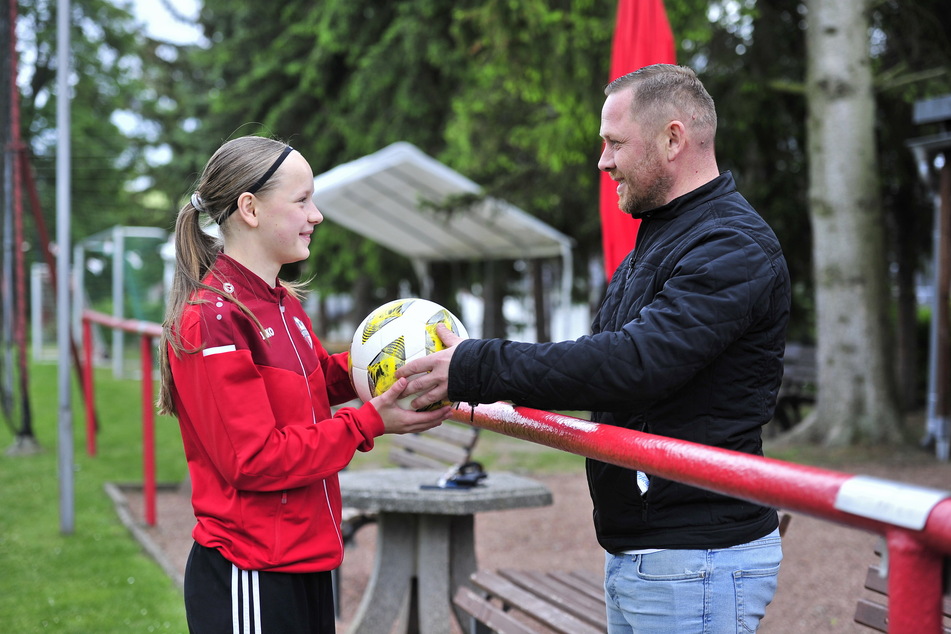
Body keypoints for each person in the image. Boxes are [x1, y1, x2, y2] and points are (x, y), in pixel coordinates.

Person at [397, 64, 790, 633]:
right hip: (654, 551)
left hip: (694, 557)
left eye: (614, 143)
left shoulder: (730, 244)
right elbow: (600, 357)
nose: (602, 161)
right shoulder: (666, 236)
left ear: (672, 138)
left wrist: (475, 366)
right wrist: (472, 366)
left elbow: (634, 364)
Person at [156, 136, 449, 634]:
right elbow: (255, 459)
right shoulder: (212, 321)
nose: (315, 215)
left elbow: (318, 381)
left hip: (307, 562)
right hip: (252, 573)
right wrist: (371, 421)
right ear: (249, 208)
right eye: (301, 200)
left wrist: (404, 359)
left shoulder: (282, 303)